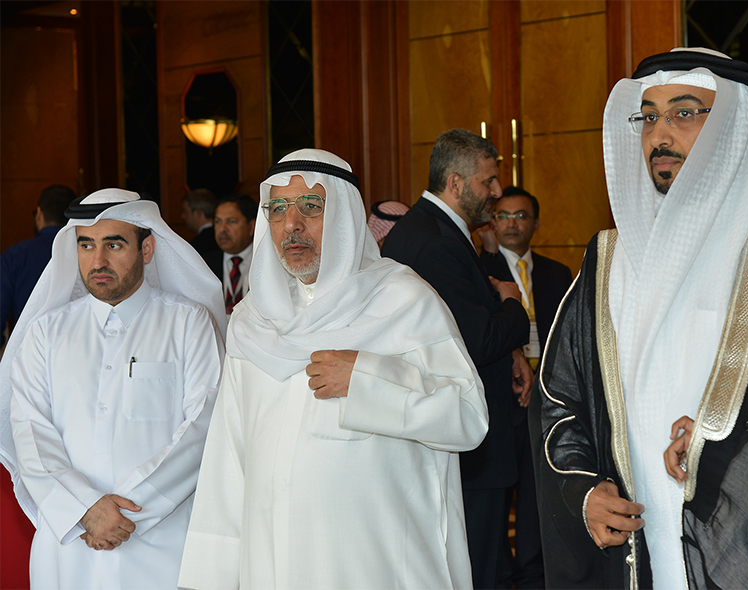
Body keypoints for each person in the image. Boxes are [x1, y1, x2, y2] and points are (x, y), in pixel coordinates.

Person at [533, 48, 748, 589]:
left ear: (730, 126)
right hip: (636, 545)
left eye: (683, 112)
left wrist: (738, 427)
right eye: (649, 116)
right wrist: (583, 492)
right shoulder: (608, 259)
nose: (659, 134)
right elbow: (559, 397)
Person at [178, 149, 489, 589]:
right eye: (278, 209)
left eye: (311, 206)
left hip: (376, 563)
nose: (291, 224)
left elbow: (468, 418)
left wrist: (367, 379)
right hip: (273, 562)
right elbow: (228, 460)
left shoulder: (404, 300)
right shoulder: (252, 320)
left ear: (344, 216)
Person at [0, 189, 226, 589]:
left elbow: (204, 428)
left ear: (147, 249)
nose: (98, 260)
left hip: (162, 543)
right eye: (86, 245)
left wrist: (124, 514)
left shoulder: (188, 324)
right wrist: (85, 510)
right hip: (70, 543)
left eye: (114, 244)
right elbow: (30, 433)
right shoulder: (45, 333)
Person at [382, 128, 533, 589]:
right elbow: (477, 340)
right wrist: (515, 305)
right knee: (476, 570)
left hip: (451, 438)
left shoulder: (432, 229)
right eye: (488, 181)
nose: (496, 191)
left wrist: (511, 349)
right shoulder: (437, 242)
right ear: (455, 183)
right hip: (468, 446)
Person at [478, 185, 572, 589]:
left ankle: (535, 576)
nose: (512, 223)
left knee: (537, 498)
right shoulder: (482, 270)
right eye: (503, 215)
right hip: (498, 400)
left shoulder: (558, 273)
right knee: (495, 500)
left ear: (536, 224)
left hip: (545, 401)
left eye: (520, 216)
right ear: (492, 222)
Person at [0, 185, 77, 343]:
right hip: (79, 347)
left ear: (39, 213)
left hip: (26, 349)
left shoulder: (14, 256)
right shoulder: (87, 254)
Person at [208, 194, 258, 314]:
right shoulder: (204, 264)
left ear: (251, 226)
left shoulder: (268, 263)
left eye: (231, 221)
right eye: (218, 222)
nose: (222, 229)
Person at [181, 188, 221, 264]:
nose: (182, 216)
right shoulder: (224, 240)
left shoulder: (193, 248)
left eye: (185, 211)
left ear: (198, 213)